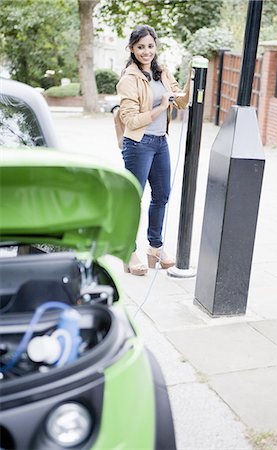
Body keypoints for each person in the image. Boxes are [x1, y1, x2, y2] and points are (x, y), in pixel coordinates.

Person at [116, 24, 191, 276]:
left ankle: (155, 248)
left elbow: (180, 101)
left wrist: (192, 79)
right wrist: (160, 108)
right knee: (132, 200)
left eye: (150, 46)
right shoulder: (129, 79)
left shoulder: (162, 72)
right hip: (138, 144)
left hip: (160, 143)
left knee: (162, 195)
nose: (146, 51)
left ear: (155, 46)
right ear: (132, 49)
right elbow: (130, 120)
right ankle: (128, 251)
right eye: (140, 47)